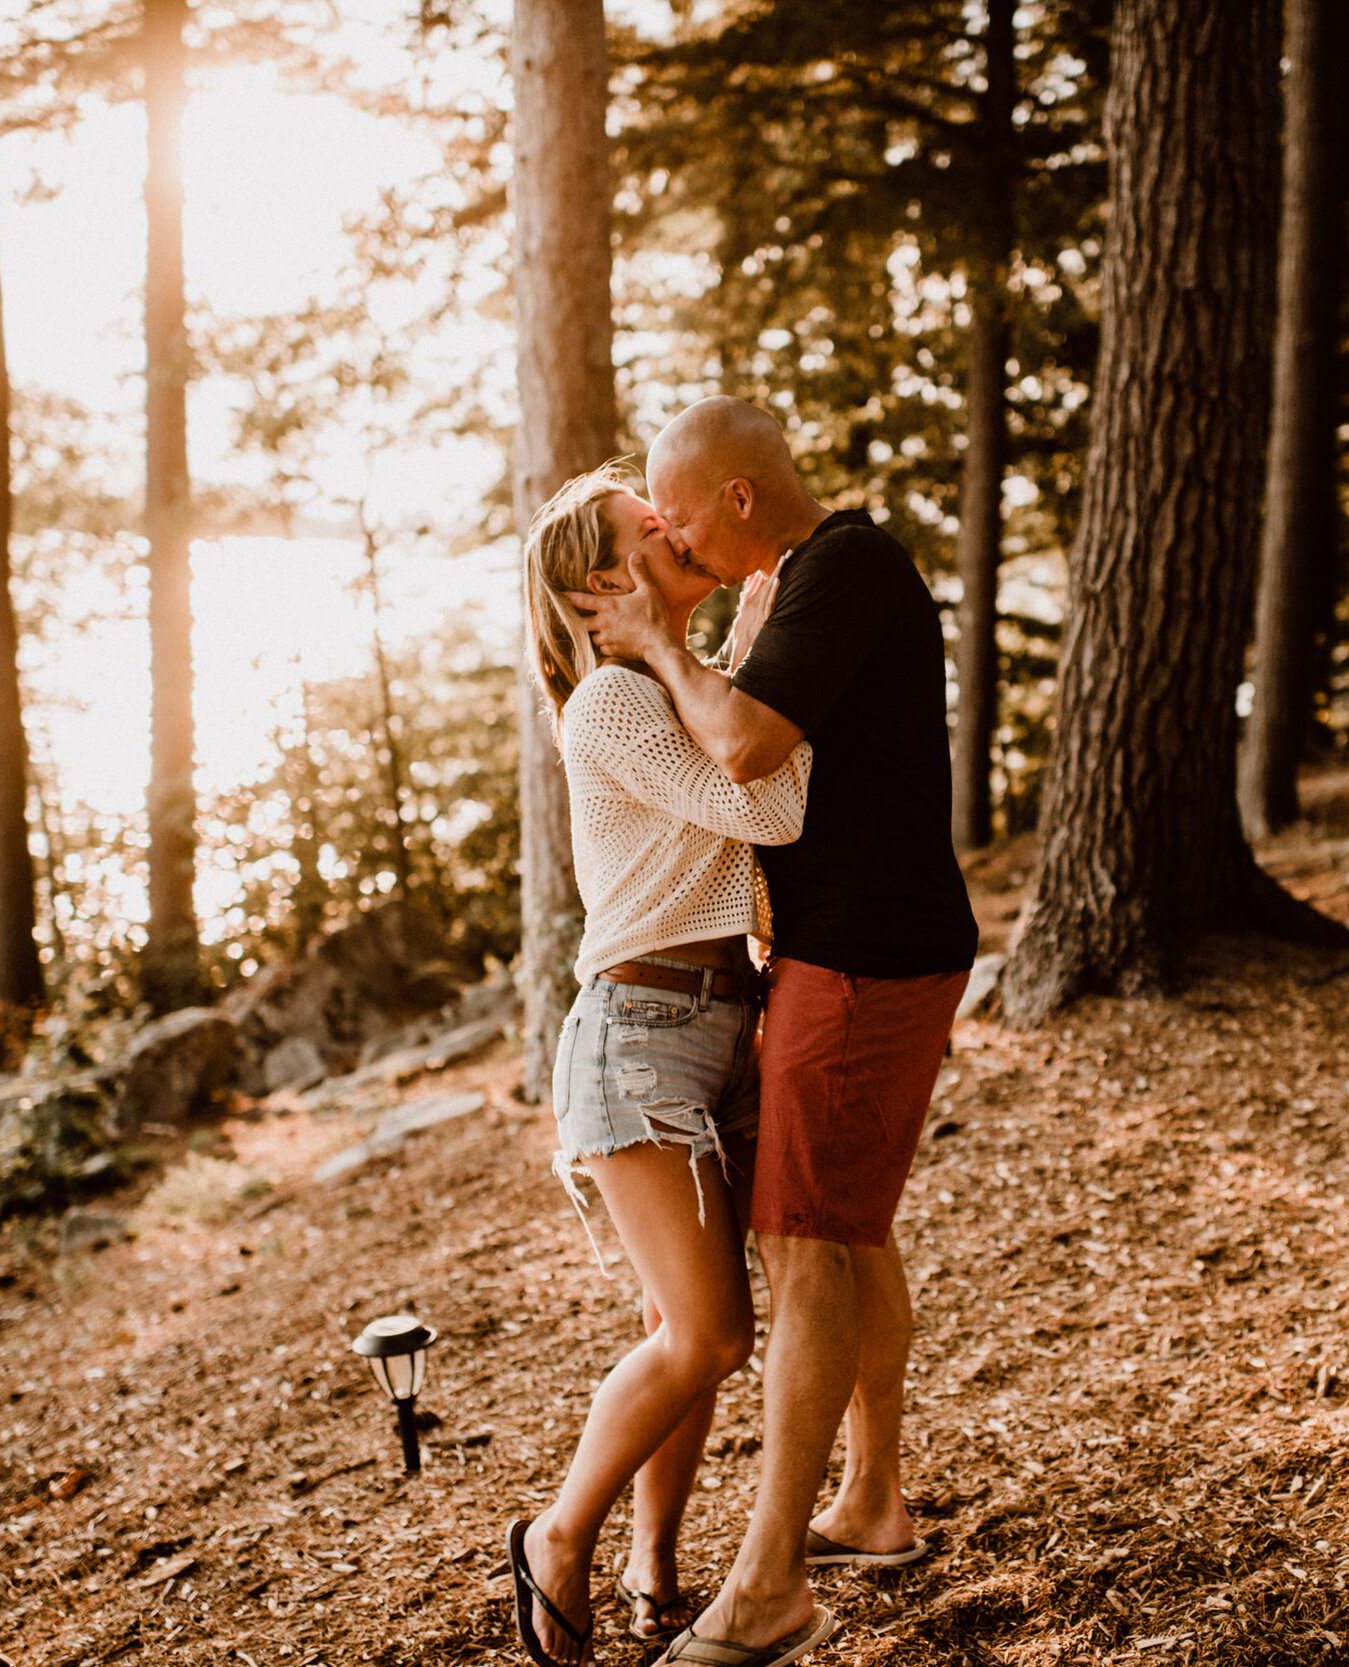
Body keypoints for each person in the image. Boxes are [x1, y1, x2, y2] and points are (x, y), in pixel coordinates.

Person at [571, 398, 979, 1667]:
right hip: (844, 949)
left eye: (680, 514)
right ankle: (871, 1498)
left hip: (861, 951)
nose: (676, 539)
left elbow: (747, 751)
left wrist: (664, 637)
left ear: (738, 499)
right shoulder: (795, 590)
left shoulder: (838, 567)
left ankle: (766, 1583)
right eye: (655, 533)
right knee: (847, 1233)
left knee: (807, 1249)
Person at [505, 461, 815, 1667]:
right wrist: (735, 669)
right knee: (709, 1335)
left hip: (715, 1021)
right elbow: (773, 810)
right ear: (605, 581)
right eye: (652, 525)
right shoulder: (616, 704)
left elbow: (755, 775)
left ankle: (655, 1571)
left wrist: (732, 653)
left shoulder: (674, 685)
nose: (679, 525)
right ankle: (556, 1535)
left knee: (682, 1323)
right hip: (644, 1036)